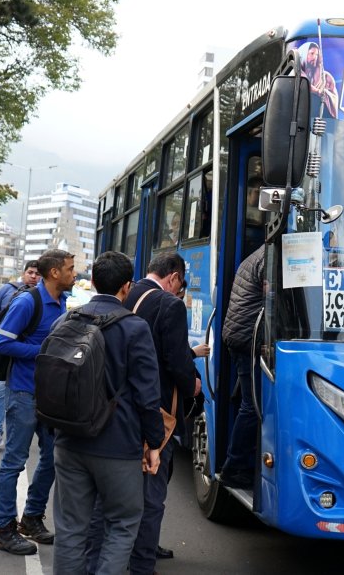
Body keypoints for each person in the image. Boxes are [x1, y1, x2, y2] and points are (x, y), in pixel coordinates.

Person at [50, 250, 164, 575]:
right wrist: (153, 443)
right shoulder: (134, 328)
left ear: (94, 281)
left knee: (71, 527)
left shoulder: (66, 320)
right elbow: (147, 394)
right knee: (123, 523)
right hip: (118, 446)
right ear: (126, 287)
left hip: (69, 441)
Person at [106, 252, 198, 573]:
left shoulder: (125, 293)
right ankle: (143, 560)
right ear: (173, 277)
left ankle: (127, 547)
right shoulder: (169, 305)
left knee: (125, 489)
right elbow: (174, 362)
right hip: (158, 412)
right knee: (153, 493)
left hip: (118, 407)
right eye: (181, 284)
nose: (180, 291)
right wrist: (194, 385)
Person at [0, 249, 76, 556]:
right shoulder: (28, 302)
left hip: (50, 395)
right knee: (14, 461)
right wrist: (44, 351)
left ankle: (31, 519)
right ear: (54, 273)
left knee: (54, 456)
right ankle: (5, 530)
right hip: (24, 392)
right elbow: (2, 342)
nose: (74, 273)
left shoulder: (63, 302)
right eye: (70, 268)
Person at [0, 260, 41, 453]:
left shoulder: (46, 297)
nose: (33, 276)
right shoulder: (8, 290)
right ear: (23, 273)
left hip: (29, 360)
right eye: (30, 272)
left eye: (37, 273)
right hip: (5, 353)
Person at [218, 246, 266, 490]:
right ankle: (234, 468)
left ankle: (240, 463)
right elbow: (273, 299)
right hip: (248, 339)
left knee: (249, 401)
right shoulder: (271, 257)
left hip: (240, 336)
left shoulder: (256, 254)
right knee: (253, 405)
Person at [301, 40, 338, 117]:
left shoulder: (327, 78)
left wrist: (325, 93)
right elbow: (303, 83)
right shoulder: (296, 73)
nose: (315, 57)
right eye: (312, 53)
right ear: (304, 54)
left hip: (321, 125)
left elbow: (334, 100)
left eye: (317, 55)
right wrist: (318, 91)